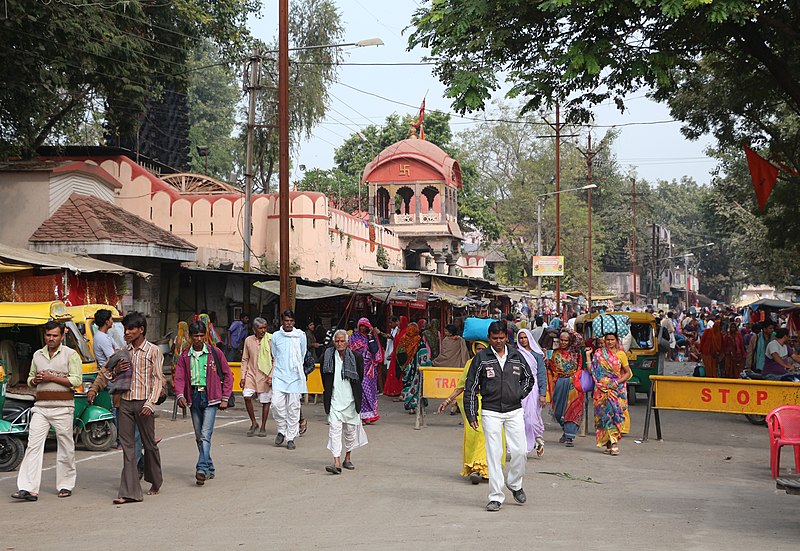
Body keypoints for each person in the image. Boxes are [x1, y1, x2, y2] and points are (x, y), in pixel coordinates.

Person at [464, 321, 534, 512]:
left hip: (514, 411)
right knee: (494, 454)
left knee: (520, 451)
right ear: (489, 338)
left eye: (501, 338)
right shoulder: (481, 358)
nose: (498, 341)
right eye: (494, 338)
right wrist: (471, 413)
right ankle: (495, 496)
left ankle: (515, 483)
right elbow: (470, 387)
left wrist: (518, 394)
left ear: (506, 337)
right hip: (490, 411)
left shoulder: (516, 355)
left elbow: (529, 378)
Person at [12, 321, 81, 502]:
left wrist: (52, 377)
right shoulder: (37, 355)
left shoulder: (71, 355)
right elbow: (29, 379)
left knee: (66, 446)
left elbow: (76, 380)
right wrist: (34, 381)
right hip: (41, 408)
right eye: (48, 335)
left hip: (63, 408)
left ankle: (65, 485)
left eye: (54, 336)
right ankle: (28, 488)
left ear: (62, 335)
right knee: (33, 446)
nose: (51, 339)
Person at [114, 312, 165, 504]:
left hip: (144, 404)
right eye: (125, 329)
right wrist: (116, 370)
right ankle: (129, 492)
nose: (127, 332)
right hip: (125, 402)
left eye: (131, 329)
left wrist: (150, 403)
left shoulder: (153, 351)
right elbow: (112, 375)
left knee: (149, 444)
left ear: (141, 330)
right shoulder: (123, 351)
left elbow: (158, 379)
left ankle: (155, 480)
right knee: (128, 448)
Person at [173, 321, 233, 486]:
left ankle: (201, 468)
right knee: (199, 436)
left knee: (206, 435)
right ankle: (210, 467)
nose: (199, 339)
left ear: (205, 335)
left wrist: (225, 397)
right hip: (193, 397)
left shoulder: (215, 353)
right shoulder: (185, 356)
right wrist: (179, 395)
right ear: (191, 337)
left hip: (211, 397)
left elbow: (228, 375)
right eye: (196, 336)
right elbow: (178, 378)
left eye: (201, 335)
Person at [437, 341, 504, 484]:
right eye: (478, 348)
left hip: (492, 403)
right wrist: (447, 401)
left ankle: (484, 469)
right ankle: (477, 467)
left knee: (487, 435)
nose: (480, 351)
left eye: (483, 349)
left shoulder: (496, 362)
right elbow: (461, 386)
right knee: (476, 435)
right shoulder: (470, 364)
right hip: (474, 403)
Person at [322, 330, 368, 474]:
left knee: (350, 432)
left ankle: (347, 458)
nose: (339, 344)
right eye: (337, 341)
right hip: (335, 400)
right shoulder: (327, 356)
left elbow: (359, 377)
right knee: (334, 431)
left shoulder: (356, 357)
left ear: (347, 342)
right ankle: (336, 462)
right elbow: (324, 377)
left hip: (351, 401)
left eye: (342, 341)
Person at [269, 310, 307, 450]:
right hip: (279, 375)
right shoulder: (276, 336)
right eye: (286, 321)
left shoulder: (300, 336)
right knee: (276, 404)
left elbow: (302, 355)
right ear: (282, 321)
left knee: (293, 407)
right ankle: (281, 430)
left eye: (291, 321)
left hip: (295, 377)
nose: (289, 323)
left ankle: (290, 437)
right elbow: (274, 354)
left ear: (294, 322)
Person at [591, 333, 632, 456]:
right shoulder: (598, 354)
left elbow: (627, 373)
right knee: (604, 416)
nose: (609, 342)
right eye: (607, 340)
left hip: (616, 390)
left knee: (614, 415)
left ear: (616, 340)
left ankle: (614, 443)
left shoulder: (621, 354)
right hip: (601, 390)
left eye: (612, 340)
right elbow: (593, 370)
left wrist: (616, 382)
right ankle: (608, 444)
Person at [547, 330, 585, 447]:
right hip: (559, 382)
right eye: (561, 340)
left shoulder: (574, 352)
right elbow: (551, 368)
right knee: (558, 412)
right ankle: (566, 430)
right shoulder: (554, 353)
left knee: (572, 409)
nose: (563, 342)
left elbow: (579, 338)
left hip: (573, 382)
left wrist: (566, 329)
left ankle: (570, 436)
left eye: (566, 340)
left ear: (570, 341)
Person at [516, 329, 547, 457]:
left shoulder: (537, 355)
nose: (523, 340)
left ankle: (538, 439)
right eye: (521, 338)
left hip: (534, 389)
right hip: (519, 388)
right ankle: (522, 446)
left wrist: (542, 394)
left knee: (532, 419)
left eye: (525, 337)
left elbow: (541, 375)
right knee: (520, 418)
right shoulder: (515, 354)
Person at [240, 317, 272, 437]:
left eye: (265, 328)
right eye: (260, 328)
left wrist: (271, 376)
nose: (263, 330)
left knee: (265, 401)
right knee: (247, 396)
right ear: (254, 329)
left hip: (265, 374)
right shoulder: (248, 340)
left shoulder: (271, 339)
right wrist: (243, 376)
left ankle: (263, 426)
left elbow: (275, 359)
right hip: (251, 373)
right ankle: (254, 423)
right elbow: (245, 359)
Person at [348, 318, 383, 424]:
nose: (363, 328)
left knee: (369, 392)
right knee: (359, 391)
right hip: (357, 368)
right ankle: (359, 415)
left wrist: (370, 337)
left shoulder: (371, 337)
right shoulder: (353, 337)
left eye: (365, 326)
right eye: (361, 326)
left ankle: (369, 415)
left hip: (369, 371)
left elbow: (374, 350)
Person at [398, 322, 427, 414]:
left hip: (406, 367)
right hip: (416, 368)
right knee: (416, 386)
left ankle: (410, 406)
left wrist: (402, 365)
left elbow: (398, 353)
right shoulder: (418, 340)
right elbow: (424, 354)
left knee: (407, 384)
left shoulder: (403, 339)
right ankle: (414, 405)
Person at [383, 316, 407, 398]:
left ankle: (398, 390)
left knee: (398, 373)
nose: (398, 323)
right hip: (395, 355)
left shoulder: (405, 332)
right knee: (393, 373)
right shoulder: (399, 331)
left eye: (399, 322)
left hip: (401, 356)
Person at [378, 316, 399, 393]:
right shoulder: (392, 330)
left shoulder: (397, 330)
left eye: (391, 322)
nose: (390, 324)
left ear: (396, 322)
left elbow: (392, 338)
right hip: (390, 351)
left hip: (393, 352)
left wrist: (381, 333)